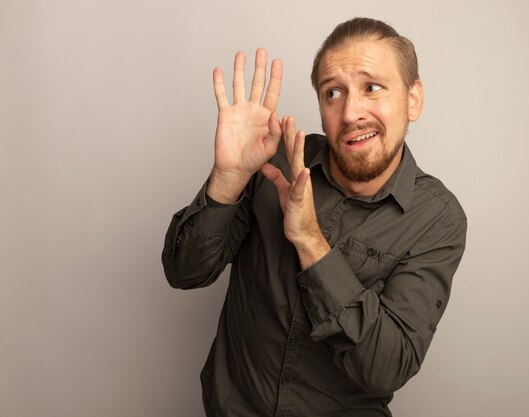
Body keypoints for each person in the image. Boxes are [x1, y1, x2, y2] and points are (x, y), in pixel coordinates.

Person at [162, 17, 467, 417]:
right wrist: (227, 179)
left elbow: (386, 367)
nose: (351, 111)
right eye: (333, 92)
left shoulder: (437, 218)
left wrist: (310, 241)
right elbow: (185, 273)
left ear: (413, 99)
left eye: (371, 87)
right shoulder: (275, 162)